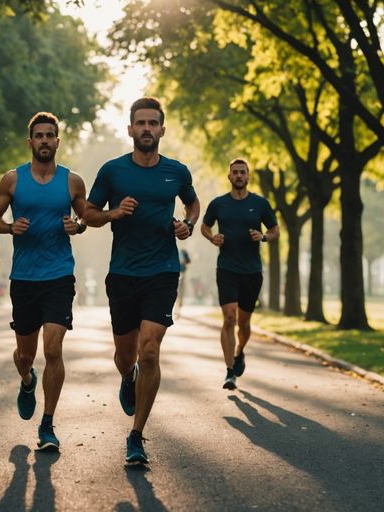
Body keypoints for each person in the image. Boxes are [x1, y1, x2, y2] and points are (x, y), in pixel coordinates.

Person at [83, 97, 199, 465]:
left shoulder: (177, 171)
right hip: (122, 274)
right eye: (141, 123)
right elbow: (87, 213)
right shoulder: (113, 171)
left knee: (150, 349)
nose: (147, 129)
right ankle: (127, 376)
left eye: (153, 123)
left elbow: (193, 204)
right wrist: (114, 212)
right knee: (125, 355)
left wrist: (188, 224)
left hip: (162, 271)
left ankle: (136, 435)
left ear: (162, 130)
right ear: (130, 129)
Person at [0, 112, 88, 452]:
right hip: (24, 277)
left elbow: (85, 217)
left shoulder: (72, 181)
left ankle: (48, 424)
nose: (45, 140)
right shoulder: (12, 180)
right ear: (30, 142)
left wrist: (79, 226)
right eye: (39, 136)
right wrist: (9, 228)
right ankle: (27, 382)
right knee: (25, 355)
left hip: (59, 274)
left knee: (54, 348)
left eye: (50, 135)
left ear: (58, 141)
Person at [201, 159, 279, 390]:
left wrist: (263, 237)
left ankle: (239, 351)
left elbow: (274, 230)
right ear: (229, 176)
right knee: (229, 318)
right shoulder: (218, 204)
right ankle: (229, 372)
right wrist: (212, 237)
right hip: (226, 268)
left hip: (252, 271)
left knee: (244, 324)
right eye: (234, 172)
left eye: (242, 172)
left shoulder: (260, 204)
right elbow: (205, 226)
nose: (238, 175)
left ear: (248, 176)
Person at [174, 248, 192, 318]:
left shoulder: (184, 251)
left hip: (182, 274)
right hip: (174, 274)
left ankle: (178, 310)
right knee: (176, 292)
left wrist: (184, 262)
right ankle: (176, 311)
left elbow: (189, 261)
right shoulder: (172, 248)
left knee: (180, 292)